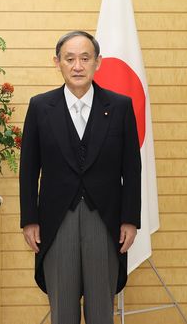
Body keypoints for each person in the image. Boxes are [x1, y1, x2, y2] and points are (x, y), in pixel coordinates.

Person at [19, 31, 141, 324]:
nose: (77, 66)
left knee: (101, 310)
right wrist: (30, 220)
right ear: (57, 62)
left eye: (85, 58)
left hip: (105, 219)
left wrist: (130, 220)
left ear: (97, 62)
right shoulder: (40, 106)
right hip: (56, 220)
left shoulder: (120, 106)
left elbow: (132, 168)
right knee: (63, 310)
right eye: (69, 59)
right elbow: (28, 168)